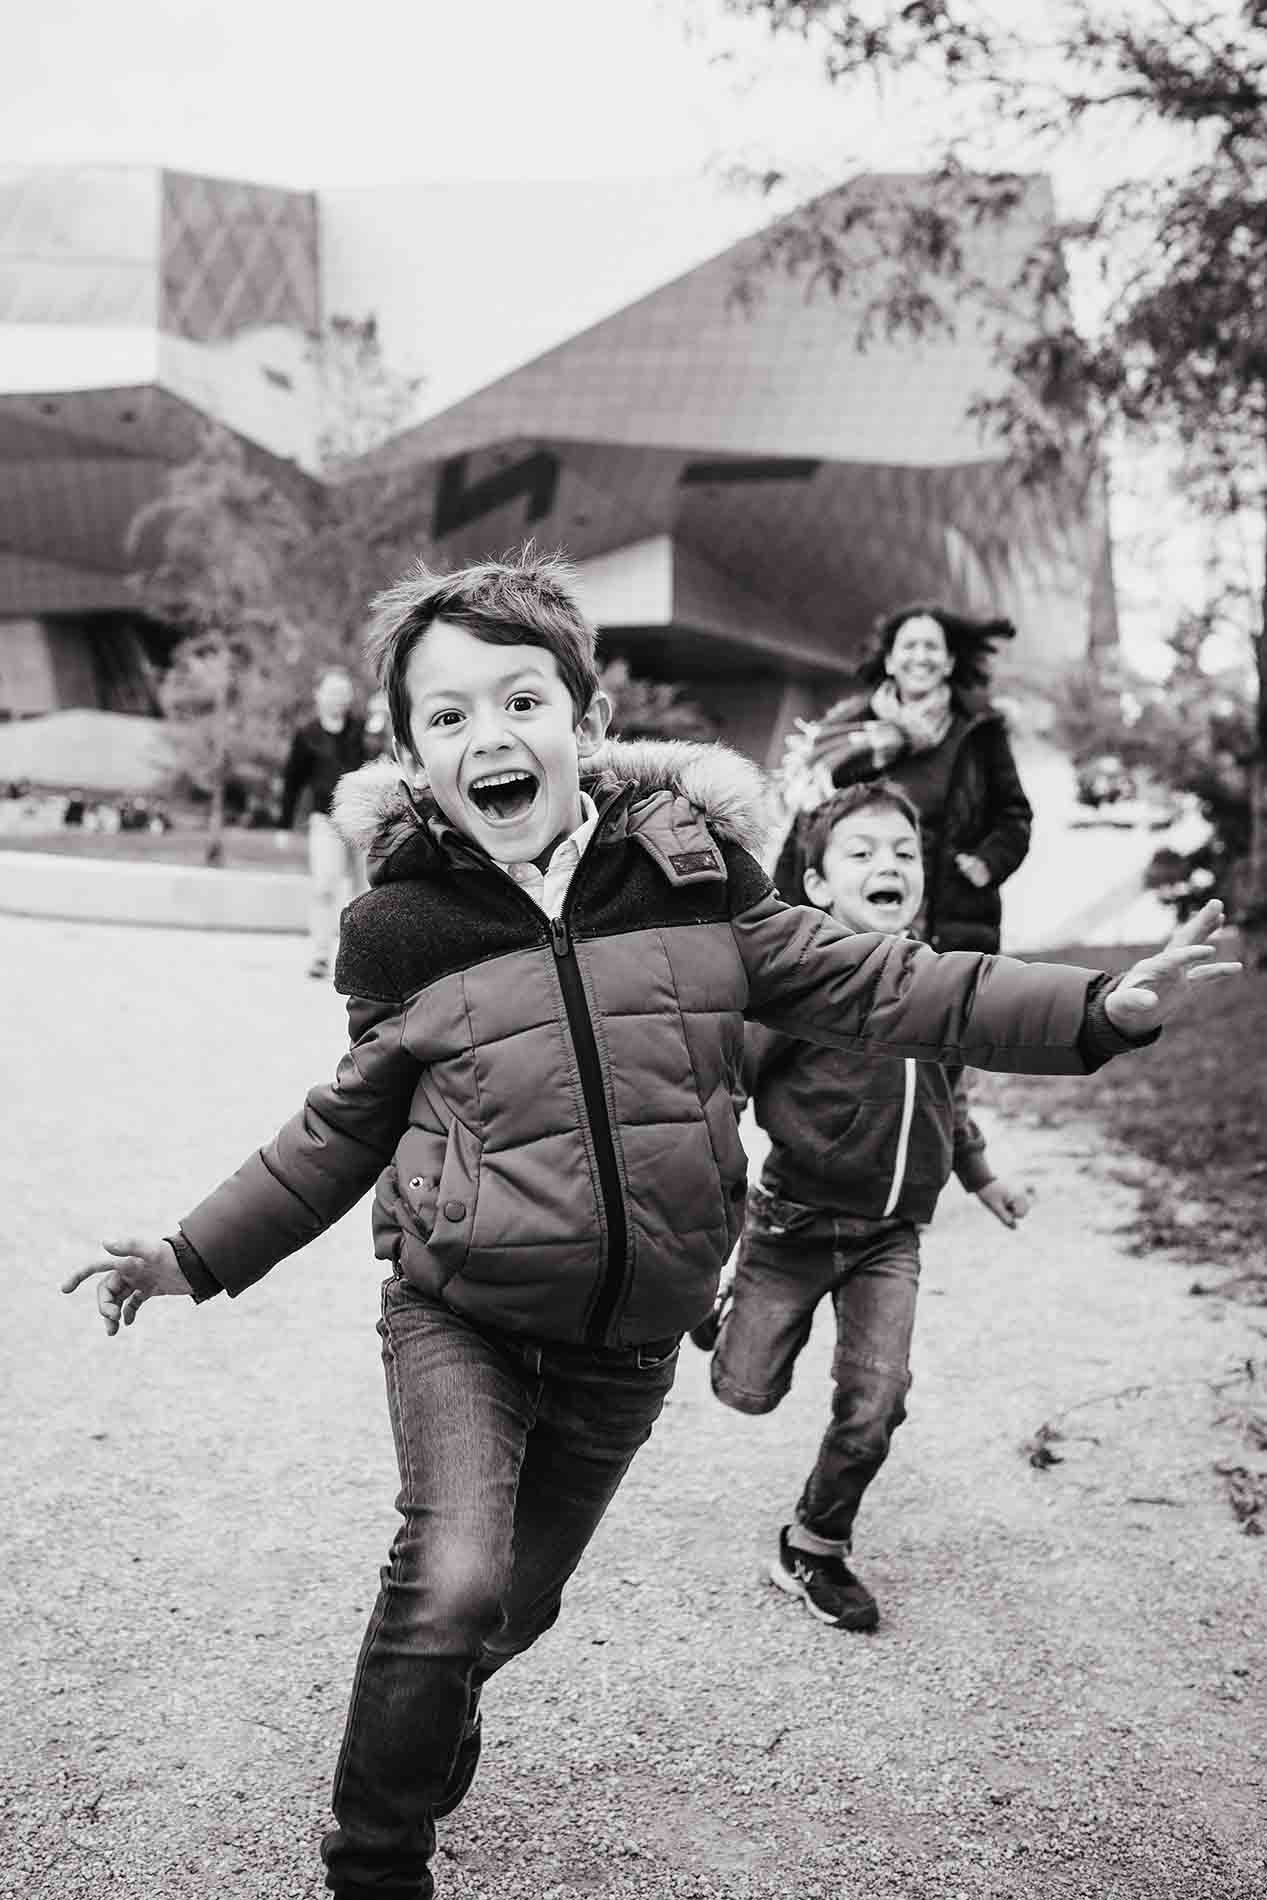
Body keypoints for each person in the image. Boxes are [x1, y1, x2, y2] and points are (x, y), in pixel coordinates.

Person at [60, 550, 1238, 1900]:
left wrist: (1093, 1013)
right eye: (446, 718)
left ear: (584, 721)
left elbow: (879, 984)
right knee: (447, 1583)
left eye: (519, 701)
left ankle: (437, 1702)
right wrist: (187, 1254)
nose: (488, 737)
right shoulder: (398, 930)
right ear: (412, 754)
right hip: (459, 1316)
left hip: (629, 1337)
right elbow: (340, 1130)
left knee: (512, 1609)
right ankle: (375, 1853)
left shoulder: (692, 875)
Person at [694, 780, 1034, 1633]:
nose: (888, 864)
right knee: (744, 1392)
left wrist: (981, 1175)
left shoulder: (936, 985)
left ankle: (814, 1541)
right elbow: (727, 1085)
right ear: (816, 886)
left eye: (902, 853)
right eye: (861, 852)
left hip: (890, 1238)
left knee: (877, 1399)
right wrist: (708, 1196)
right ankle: (732, 1308)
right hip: (791, 1225)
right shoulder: (797, 991)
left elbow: (948, 1097)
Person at [776, 603, 1032, 953]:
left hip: (954, 924)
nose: (920, 656)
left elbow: (1013, 816)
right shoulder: (845, 733)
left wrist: (987, 863)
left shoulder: (979, 732)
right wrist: (786, 916)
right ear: (889, 661)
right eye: (909, 646)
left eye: (931, 647)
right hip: (857, 925)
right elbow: (809, 828)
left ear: (949, 663)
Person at [279, 666, 368, 979]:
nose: (338, 699)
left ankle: (361, 959)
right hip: (325, 821)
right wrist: (284, 825)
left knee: (363, 891)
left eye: (344, 693)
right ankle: (319, 954)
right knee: (324, 886)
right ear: (318, 695)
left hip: (360, 819)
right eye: (332, 692)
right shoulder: (307, 735)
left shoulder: (361, 731)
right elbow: (292, 782)